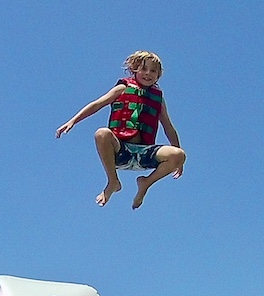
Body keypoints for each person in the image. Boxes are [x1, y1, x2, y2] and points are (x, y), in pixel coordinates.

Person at [56, 51, 185, 209]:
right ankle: (113, 181)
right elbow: (97, 104)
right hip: (120, 151)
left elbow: (168, 127)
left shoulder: (158, 98)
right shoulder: (123, 88)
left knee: (179, 154)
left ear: (158, 75)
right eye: (144, 69)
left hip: (144, 153)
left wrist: (179, 162)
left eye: (153, 71)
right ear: (135, 69)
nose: (148, 74)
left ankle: (145, 183)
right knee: (102, 133)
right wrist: (73, 121)